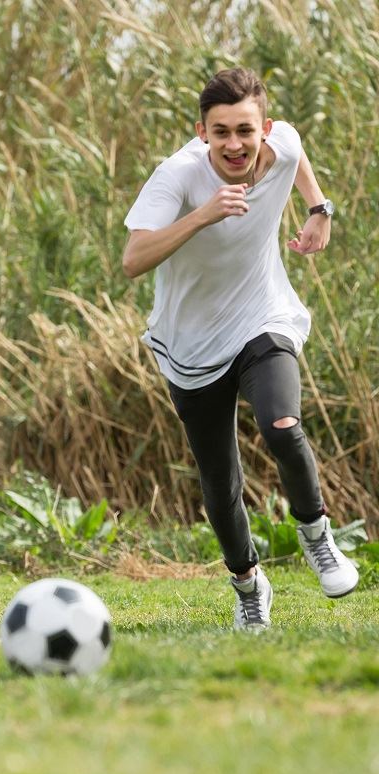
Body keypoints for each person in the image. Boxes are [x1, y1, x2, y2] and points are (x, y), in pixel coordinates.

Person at [122, 67, 358, 631]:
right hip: (191, 344)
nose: (235, 144)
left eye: (245, 131)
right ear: (202, 132)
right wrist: (203, 215)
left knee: (282, 425)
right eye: (221, 132)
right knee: (220, 479)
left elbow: (297, 154)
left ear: (264, 128)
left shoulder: (283, 140)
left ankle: (318, 539)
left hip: (262, 316)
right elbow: (133, 260)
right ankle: (249, 584)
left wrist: (319, 208)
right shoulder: (176, 176)